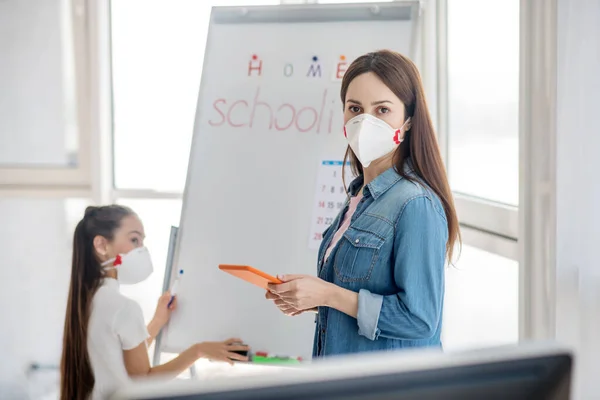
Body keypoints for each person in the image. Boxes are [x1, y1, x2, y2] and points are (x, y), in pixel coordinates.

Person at [266, 50, 460, 357]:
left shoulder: (415, 204)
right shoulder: (358, 197)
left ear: (408, 120)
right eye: (354, 108)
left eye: (382, 110)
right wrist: (315, 299)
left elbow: (420, 319)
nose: (365, 121)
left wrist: (329, 294)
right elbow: (358, 297)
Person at [60, 205, 249, 400]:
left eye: (142, 242)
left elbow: (121, 356)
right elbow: (143, 378)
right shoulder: (122, 306)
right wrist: (198, 351)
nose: (142, 250)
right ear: (101, 245)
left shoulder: (89, 300)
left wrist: (158, 321)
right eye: (134, 240)